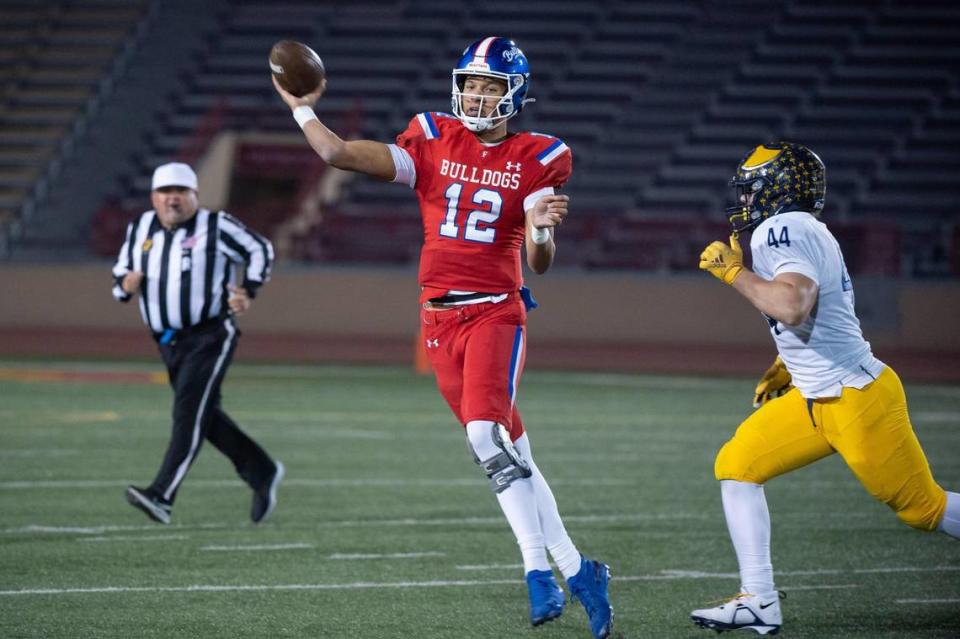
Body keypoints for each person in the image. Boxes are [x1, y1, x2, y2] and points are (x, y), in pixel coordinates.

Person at [272, 37, 613, 638]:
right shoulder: (431, 137)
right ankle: (580, 570)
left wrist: (538, 230)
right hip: (438, 321)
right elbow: (339, 154)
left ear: (515, 95)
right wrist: (302, 107)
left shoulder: (541, 156)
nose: (477, 94)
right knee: (515, 454)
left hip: (495, 313)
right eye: (471, 83)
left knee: (485, 436)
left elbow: (540, 261)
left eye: (489, 85)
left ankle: (536, 570)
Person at [691, 142, 960, 635]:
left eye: (753, 187)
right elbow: (818, 315)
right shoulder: (800, 228)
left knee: (926, 509)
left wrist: (733, 273)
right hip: (816, 397)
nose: (745, 198)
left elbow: (793, 305)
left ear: (777, 188)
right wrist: (787, 364)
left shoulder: (780, 228)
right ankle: (759, 601)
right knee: (737, 465)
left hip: (854, 396)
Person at [111, 162, 285, 525]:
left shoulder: (216, 225)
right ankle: (262, 470)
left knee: (188, 413)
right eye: (165, 192)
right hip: (168, 342)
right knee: (205, 418)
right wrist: (125, 285)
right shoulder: (140, 228)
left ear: (194, 195)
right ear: (153, 197)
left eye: (180, 191)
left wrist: (248, 289)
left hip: (209, 334)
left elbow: (260, 250)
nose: (172, 198)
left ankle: (162, 495)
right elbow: (121, 273)